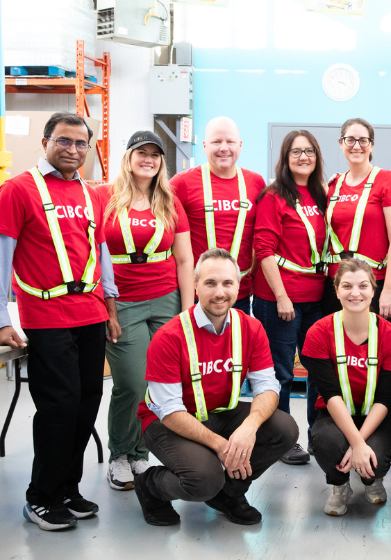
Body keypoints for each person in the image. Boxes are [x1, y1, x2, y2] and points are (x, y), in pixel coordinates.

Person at [0, 112, 120, 531]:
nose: (72, 149)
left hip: (90, 312)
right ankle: (41, 497)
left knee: (87, 401)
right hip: (46, 315)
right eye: (64, 141)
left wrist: (110, 307)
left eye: (80, 143)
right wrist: (1, 319)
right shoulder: (17, 190)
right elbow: (2, 258)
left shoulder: (91, 194)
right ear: (46, 142)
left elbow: (101, 253)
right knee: (59, 406)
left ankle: (68, 488)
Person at [133, 248, 298, 527]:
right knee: (204, 480)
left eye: (227, 283)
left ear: (238, 286)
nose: (219, 292)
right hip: (168, 422)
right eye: (210, 283)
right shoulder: (169, 336)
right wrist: (222, 446)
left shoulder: (251, 328)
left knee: (284, 429)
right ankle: (150, 485)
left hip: (221, 413)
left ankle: (229, 494)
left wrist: (249, 428)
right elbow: (169, 411)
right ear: (195, 285)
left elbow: (268, 387)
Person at [97, 131, 194, 491]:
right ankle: (121, 453)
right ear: (129, 157)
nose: (148, 159)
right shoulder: (104, 197)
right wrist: (106, 304)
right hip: (122, 302)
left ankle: (141, 453)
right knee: (132, 382)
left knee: (162, 382)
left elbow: (184, 260)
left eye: (155, 154)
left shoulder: (169, 201)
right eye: (142, 152)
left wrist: (187, 312)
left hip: (166, 299)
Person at [302, 258, 391, 516]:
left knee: (375, 457)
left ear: (373, 290)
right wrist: (357, 443)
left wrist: (359, 444)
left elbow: (385, 397)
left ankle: (372, 479)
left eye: (363, 286)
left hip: (378, 414)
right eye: (347, 286)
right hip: (336, 414)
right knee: (326, 442)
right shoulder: (318, 332)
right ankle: (340, 485)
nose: (355, 293)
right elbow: (330, 395)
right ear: (336, 291)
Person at [253, 130, 327, 466]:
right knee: (281, 373)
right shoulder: (274, 196)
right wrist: (282, 297)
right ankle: (281, 441)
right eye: (295, 151)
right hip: (280, 300)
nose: (303, 157)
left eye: (309, 151)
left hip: (317, 297)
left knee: (318, 370)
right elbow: (264, 249)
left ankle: (318, 436)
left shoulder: (322, 195)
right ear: (285, 157)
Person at [171, 116, 266, 313]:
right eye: (216, 142)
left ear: (240, 145)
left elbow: (261, 238)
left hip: (238, 294)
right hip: (197, 294)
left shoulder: (256, 183)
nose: (224, 148)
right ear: (204, 145)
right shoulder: (182, 183)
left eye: (230, 141)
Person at [323, 118, 391, 319]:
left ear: (372, 144)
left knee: (373, 338)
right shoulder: (334, 185)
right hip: (336, 284)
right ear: (341, 143)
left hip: (372, 284)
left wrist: (389, 289)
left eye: (363, 140)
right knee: (336, 338)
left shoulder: (386, 180)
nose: (356, 146)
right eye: (350, 140)